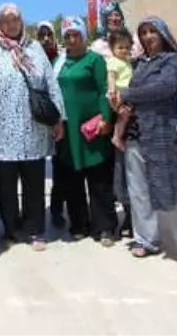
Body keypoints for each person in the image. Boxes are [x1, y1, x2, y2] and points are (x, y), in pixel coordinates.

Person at [0, 3, 64, 251]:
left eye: (14, 19)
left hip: (32, 129)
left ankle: (35, 229)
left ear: (21, 21)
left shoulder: (34, 48)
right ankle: (11, 230)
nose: (10, 24)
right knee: (6, 185)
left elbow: (50, 83)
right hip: (0, 131)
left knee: (34, 181)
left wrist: (59, 118)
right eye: (4, 20)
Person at [117, 16, 177, 262]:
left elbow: (165, 87)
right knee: (139, 190)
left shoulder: (173, 62)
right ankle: (146, 239)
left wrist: (128, 94)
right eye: (144, 32)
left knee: (172, 186)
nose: (148, 37)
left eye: (153, 31)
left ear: (163, 34)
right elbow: (133, 97)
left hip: (162, 132)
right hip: (136, 132)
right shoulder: (139, 63)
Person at [54, 17, 117, 245]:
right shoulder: (60, 62)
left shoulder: (95, 60)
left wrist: (106, 119)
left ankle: (105, 227)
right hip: (68, 129)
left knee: (99, 178)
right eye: (68, 35)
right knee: (72, 179)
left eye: (76, 34)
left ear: (84, 35)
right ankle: (79, 223)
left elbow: (104, 91)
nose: (72, 39)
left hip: (91, 127)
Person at [36, 20, 68, 229]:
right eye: (42, 35)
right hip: (38, 120)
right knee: (36, 169)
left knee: (60, 167)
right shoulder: (32, 58)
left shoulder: (62, 59)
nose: (46, 39)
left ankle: (57, 210)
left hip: (57, 119)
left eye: (49, 35)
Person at [106, 26, 137, 238]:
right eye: (120, 47)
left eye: (127, 47)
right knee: (122, 118)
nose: (124, 50)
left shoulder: (131, 63)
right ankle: (117, 136)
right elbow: (111, 81)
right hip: (119, 99)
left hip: (132, 101)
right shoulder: (113, 62)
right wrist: (114, 96)